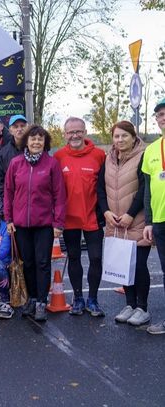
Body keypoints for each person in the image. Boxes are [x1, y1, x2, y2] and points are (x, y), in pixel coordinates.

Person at [4, 125, 66, 322]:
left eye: (40, 139)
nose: (36, 142)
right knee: (27, 263)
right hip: (20, 224)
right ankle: (30, 298)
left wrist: (58, 223)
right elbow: (8, 193)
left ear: (45, 142)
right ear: (26, 142)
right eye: (33, 139)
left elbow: (60, 195)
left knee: (42, 263)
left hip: (44, 225)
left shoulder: (52, 164)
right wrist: (9, 219)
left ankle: (41, 301)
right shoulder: (16, 163)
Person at [97, 121, 151, 326]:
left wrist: (130, 214)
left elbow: (145, 188)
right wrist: (106, 212)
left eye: (124, 136)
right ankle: (130, 304)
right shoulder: (109, 158)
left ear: (133, 136)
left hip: (136, 221)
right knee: (124, 266)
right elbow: (100, 188)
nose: (120, 140)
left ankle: (142, 308)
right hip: (115, 222)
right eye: (116, 136)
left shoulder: (143, 155)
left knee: (138, 266)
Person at [54, 117, 106, 317]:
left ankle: (92, 299)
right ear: (64, 134)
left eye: (78, 131)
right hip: (69, 219)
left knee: (95, 258)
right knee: (74, 257)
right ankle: (77, 298)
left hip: (93, 217)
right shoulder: (58, 157)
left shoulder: (99, 155)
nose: (74, 135)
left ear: (85, 132)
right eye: (70, 132)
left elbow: (105, 186)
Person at [142, 97, 165, 334]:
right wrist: (148, 221)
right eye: (159, 114)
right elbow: (148, 189)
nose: (163, 117)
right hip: (160, 220)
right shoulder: (151, 150)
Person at [0, 115, 28, 207]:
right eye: (16, 126)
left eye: (22, 126)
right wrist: (7, 198)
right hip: (14, 203)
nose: (19, 129)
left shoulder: (35, 148)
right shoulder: (3, 153)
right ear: (10, 130)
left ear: (27, 127)